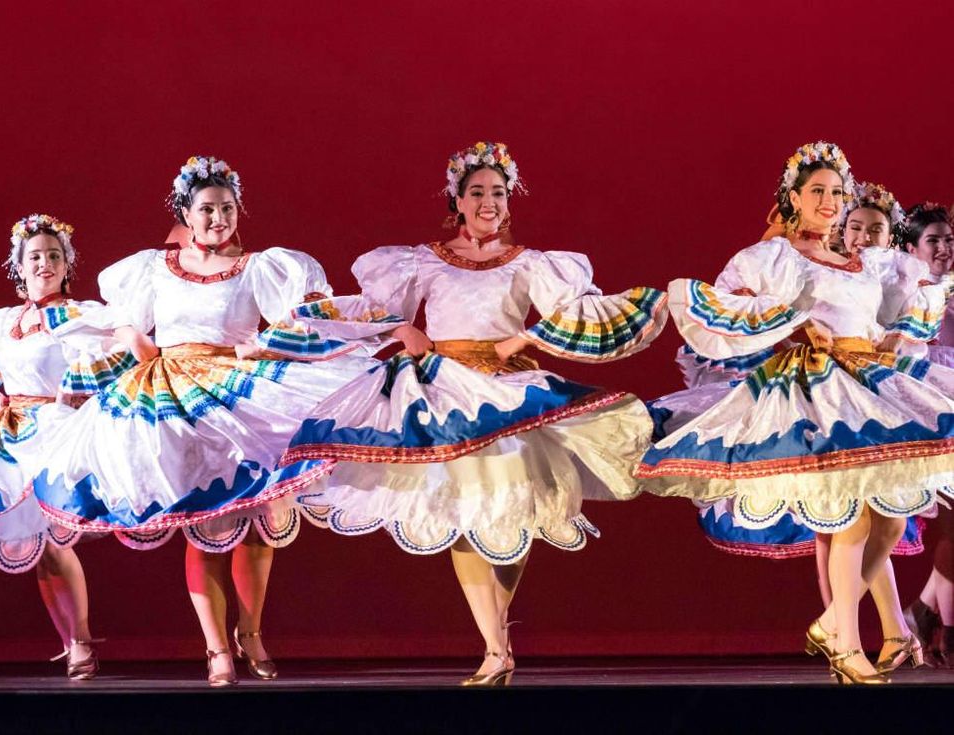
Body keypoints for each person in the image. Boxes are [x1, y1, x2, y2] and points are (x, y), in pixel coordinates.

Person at [267, 141, 667, 686]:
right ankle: (495, 647)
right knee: (463, 514)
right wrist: (399, 329)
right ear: (457, 199)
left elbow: (572, 314)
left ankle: (497, 639)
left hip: (509, 395)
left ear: (510, 200)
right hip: (446, 392)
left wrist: (523, 337)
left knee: (514, 513)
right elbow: (382, 312)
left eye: (498, 193)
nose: (488, 202)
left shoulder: (530, 263)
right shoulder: (424, 260)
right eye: (477, 192)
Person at [34, 157, 378, 686]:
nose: (217, 218)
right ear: (186, 216)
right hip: (173, 398)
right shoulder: (153, 268)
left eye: (226, 208)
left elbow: (301, 318)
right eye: (207, 209)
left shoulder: (261, 266)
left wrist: (262, 345)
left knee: (257, 523)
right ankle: (216, 648)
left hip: (239, 393)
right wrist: (132, 338)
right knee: (204, 526)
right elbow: (123, 321)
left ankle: (252, 631)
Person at [638, 142, 954, 684]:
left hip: (869, 386)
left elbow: (913, 298)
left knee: (893, 513)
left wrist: (899, 334)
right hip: (815, 392)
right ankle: (849, 648)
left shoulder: (862, 262)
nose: (830, 202)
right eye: (818, 192)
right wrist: (791, 323)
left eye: (836, 192)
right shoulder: (773, 256)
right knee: (850, 517)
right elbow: (725, 304)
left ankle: (835, 620)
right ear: (794, 197)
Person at [0, 214, 131, 678]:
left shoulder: (80, 317)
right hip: (8, 432)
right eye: (36, 257)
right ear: (19, 267)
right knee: (40, 546)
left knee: (55, 541)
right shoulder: (3, 322)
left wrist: (79, 390)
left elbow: (113, 360)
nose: (45, 264)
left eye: (54, 256)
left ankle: (81, 640)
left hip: (55, 430)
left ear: (67, 264)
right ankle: (71, 643)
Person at [898, 202, 954, 667]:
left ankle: (923, 612)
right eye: (933, 240)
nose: (943, 248)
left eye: (947, 239)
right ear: (913, 248)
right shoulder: (908, 291)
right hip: (929, 407)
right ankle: (942, 626)